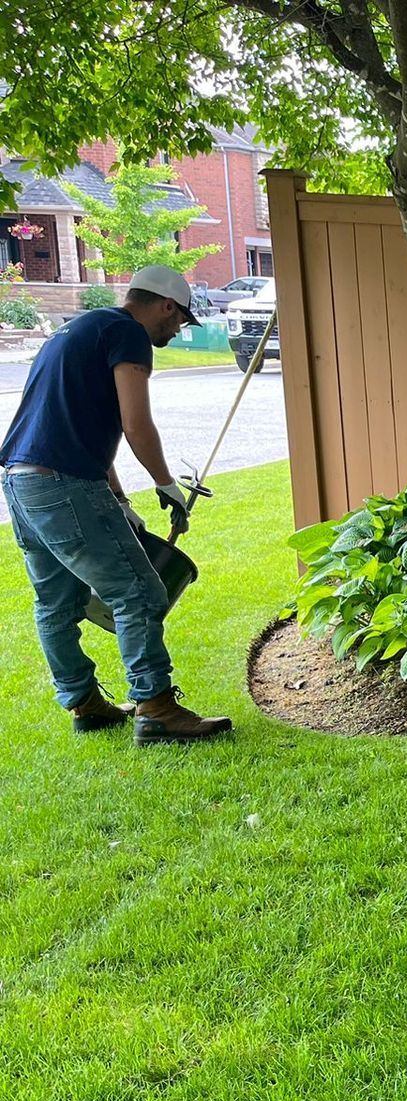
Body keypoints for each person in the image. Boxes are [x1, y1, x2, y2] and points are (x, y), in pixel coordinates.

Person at [1, 264, 231, 743]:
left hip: (22, 482)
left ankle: (84, 704)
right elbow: (135, 423)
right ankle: (156, 708)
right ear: (165, 306)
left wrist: (120, 498)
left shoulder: (80, 329)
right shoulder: (128, 333)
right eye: (180, 319)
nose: (178, 329)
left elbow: (79, 423)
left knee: (56, 601)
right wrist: (165, 483)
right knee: (140, 592)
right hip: (63, 484)